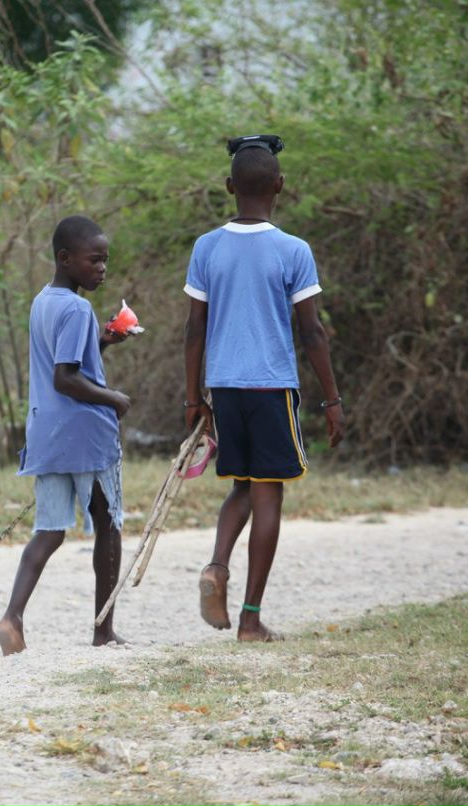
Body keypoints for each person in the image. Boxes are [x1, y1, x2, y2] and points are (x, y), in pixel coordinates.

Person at [182, 142, 344, 642]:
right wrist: (333, 400)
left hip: (224, 387)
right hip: (272, 387)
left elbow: (194, 329)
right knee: (268, 492)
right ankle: (250, 619)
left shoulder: (207, 247)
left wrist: (193, 398)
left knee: (241, 486)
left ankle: (216, 566)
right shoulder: (293, 250)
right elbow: (312, 332)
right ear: (280, 185)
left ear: (230, 187)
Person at [0, 215, 133, 656]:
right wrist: (114, 398)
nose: (102, 268)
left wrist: (104, 341)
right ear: (64, 258)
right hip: (85, 436)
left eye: (105, 260)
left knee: (50, 530)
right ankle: (103, 630)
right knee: (108, 524)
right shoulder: (77, 309)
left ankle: (12, 617)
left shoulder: (43, 301)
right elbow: (66, 378)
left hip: (47, 434)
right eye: (94, 260)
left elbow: (69, 361)